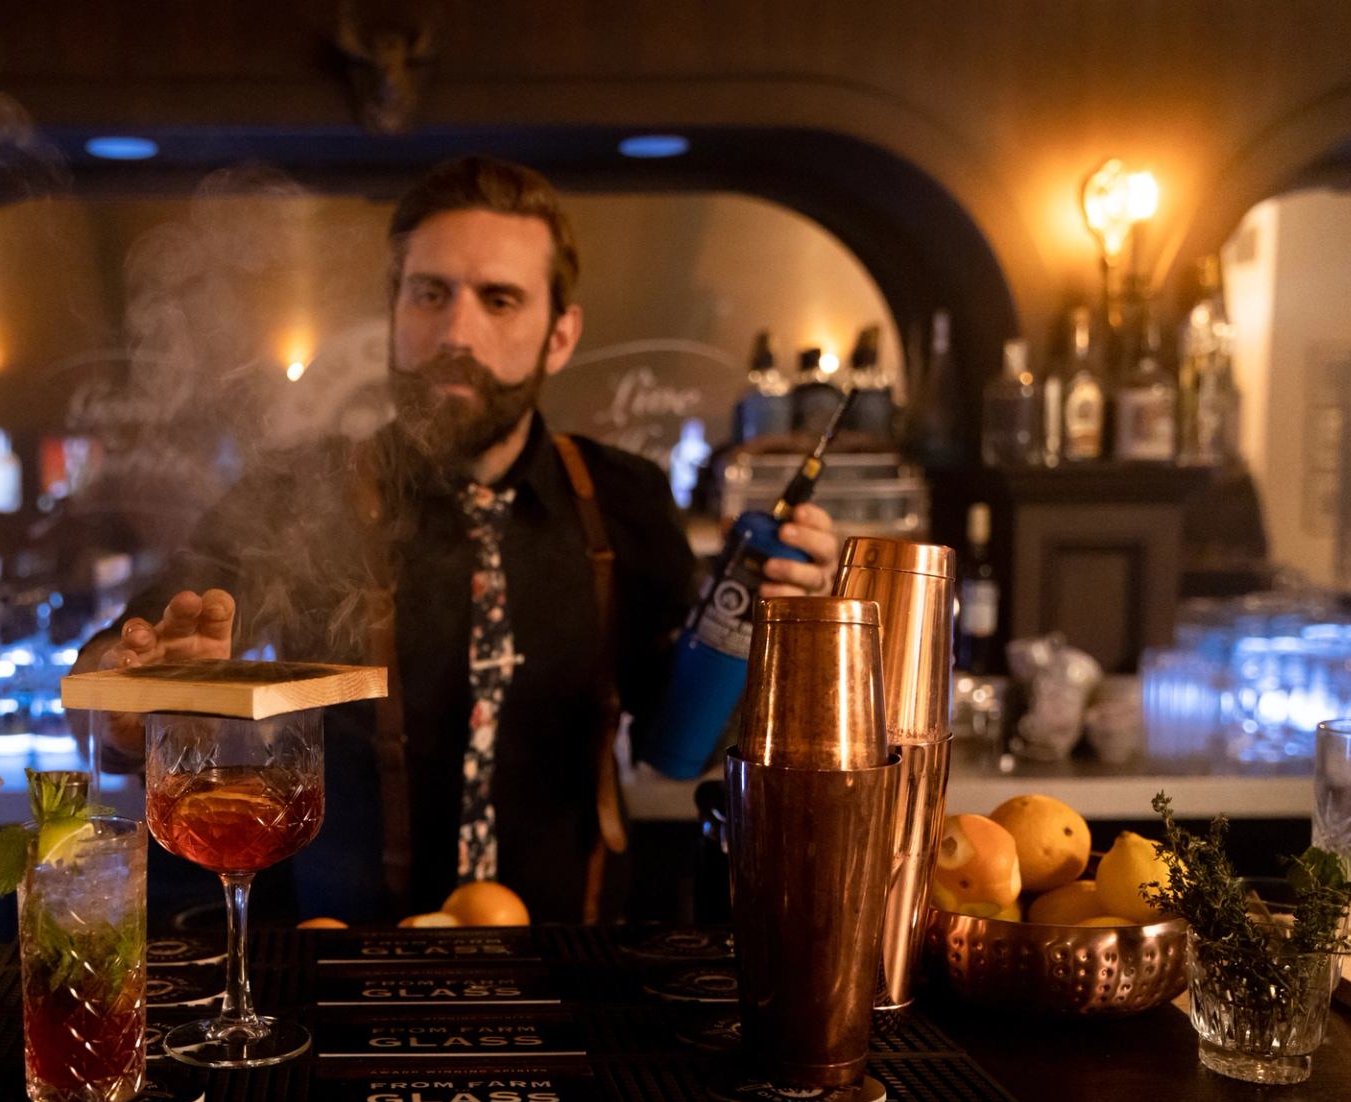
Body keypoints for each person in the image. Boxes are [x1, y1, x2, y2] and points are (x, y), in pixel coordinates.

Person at [78, 156, 838, 923]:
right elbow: (126, 656)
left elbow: (676, 746)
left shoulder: (626, 502)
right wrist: (129, 690)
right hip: (339, 957)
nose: (455, 331)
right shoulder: (296, 491)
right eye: (430, 293)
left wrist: (778, 639)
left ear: (561, 333)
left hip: (570, 964)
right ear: (396, 305)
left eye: (499, 300)